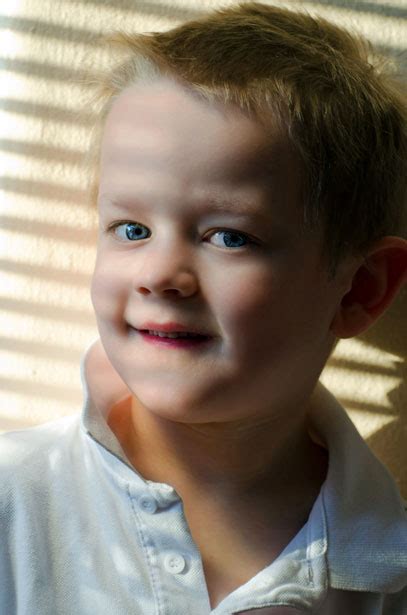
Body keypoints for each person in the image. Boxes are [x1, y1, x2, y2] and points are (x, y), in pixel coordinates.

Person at [1, 2, 406, 613]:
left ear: (359, 291)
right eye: (131, 228)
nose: (161, 275)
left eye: (229, 236)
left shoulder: (388, 571)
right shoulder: (15, 503)